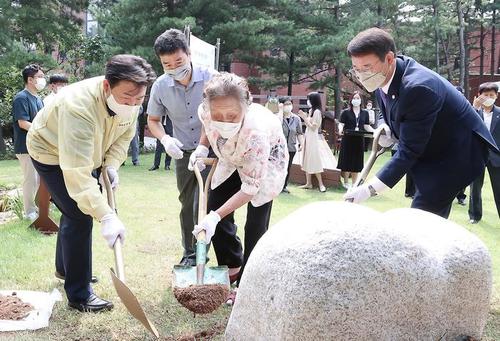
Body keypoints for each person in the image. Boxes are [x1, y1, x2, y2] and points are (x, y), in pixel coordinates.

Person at [27, 54, 156, 312]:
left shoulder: (131, 102)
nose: (132, 104)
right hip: (49, 151)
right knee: (80, 213)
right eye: (127, 97)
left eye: (139, 99)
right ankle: (79, 294)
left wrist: (110, 165)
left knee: (72, 209)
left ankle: (66, 268)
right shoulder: (78, 107)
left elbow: (123, 137)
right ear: (107, 86)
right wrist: (106, 216)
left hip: (89, 153)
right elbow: (77, 174)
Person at [344, 28, 497, 218]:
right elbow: (390, 108)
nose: (361, 75)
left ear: (389, 58)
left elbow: (409, 150)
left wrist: (369, 189)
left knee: (422, 220)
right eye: (356, 69)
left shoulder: (417, 87)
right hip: (431, 148)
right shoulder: (382, 76)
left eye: (366, 67)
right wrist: (385, 127)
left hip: (457, 154)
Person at [189, 72, 288, 304]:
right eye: (218, 114)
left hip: (264, 160)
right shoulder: (205, 111)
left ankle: (248, 283)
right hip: (230, 156)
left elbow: (250, 188)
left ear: (246, 106)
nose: (224, 120)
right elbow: (207, 125)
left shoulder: (257, 133)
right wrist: (202, 148)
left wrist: (213, 218)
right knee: (215, 205)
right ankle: (233, 264)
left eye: (232, 115)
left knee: (255, 224)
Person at [146, 28, 217, 266]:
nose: (174, 68)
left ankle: (205, 256)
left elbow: (212, 116)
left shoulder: (210, 78)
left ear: (188, 54)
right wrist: (165, 140)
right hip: (183, 152)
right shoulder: (160, 86)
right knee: (187, 204)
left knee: (205, 201)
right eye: (167, 64)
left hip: (214, 151)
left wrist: (204, 147)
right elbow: (153, 121)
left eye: (178, 61)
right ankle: (190, 256)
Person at [12, 64, 44, 221]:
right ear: (30, 79)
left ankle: (40, 208)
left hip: (38, 147)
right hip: (25, 147)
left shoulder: (38, 99)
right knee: (30, 180)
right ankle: (30, 212)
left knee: (40, 179)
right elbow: (23, 123)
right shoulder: (21, 98)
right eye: (40, 77)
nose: (42, 80)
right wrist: (42, 131)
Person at [468, 82, 500, 223]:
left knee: (498, 189)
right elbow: (466, 127)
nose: (488, 97)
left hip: (496, 157)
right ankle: (474, 216)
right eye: (485, 95)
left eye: (491, 95)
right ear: (479, 96)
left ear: (496, 96)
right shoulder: (473, 112)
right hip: (478, 156)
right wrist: (474, 108)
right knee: (475, 188)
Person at [337, 91, 374, 188]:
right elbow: (341, 124)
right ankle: (346, 182)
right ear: (351, 100)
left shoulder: (365, 113)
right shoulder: (345, 112)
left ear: (361, 100)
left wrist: (375, 131)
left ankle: (354, 183)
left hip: (359, 139)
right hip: (348, 138)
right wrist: (340, 129)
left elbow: (366, 126)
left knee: (356, 161)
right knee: (347, 160)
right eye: (354, 98)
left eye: (358, 98)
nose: (356, 100)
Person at [297, 92, 326, 192]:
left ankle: (321, 184)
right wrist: (305, 117)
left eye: (309, 99)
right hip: (308, 136)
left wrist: (304, 118)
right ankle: (308, 183)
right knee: (307, 159)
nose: (307, 101)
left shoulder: (317, 112)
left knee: (314, 159)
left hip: (313, 137)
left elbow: (314, 127)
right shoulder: (311, 111)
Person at [279, 96, 303, 193]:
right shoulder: (278, 117)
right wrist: (280, 111)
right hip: (279, 147)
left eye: (289, 104)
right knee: (278, 167)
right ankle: (276, 186)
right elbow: (278, 125)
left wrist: (302, 144)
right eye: (285, 104)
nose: (288, 106)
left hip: (291, 147)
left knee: (287, 167)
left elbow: (299, 133)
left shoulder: (296, 119)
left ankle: (284, 186)